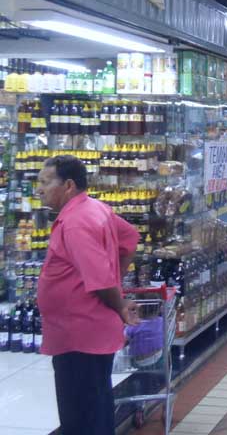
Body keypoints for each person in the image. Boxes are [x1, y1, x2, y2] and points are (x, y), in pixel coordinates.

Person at [35, 155, 140, 435]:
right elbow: (129, 239)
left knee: (82, 416)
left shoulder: (76, 222)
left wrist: (118, 302)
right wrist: (117, 285)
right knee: (96, 405)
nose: (39, 189)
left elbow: (100, 279)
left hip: (79, 334)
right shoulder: (95, 208)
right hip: (87, 332)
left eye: (46, 182)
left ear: (68, 185)